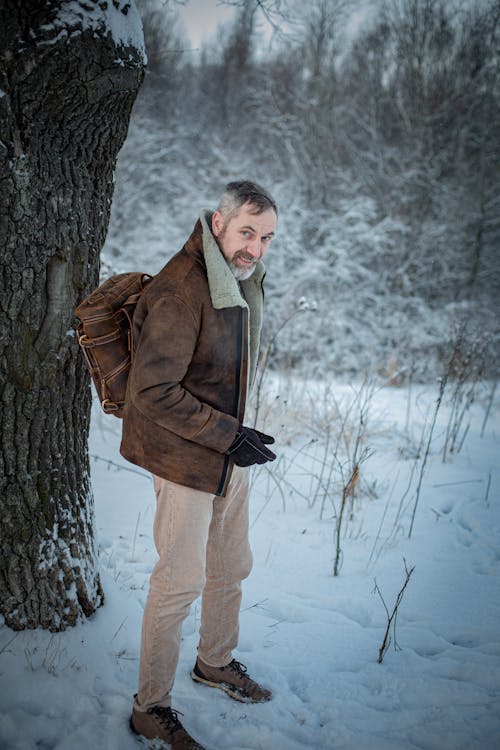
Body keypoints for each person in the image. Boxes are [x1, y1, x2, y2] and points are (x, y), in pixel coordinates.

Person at [120, 180, 279, 750]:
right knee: (179, 579)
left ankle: (215, 662)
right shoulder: (182, 289)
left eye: (265, 237)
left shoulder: (236, 279)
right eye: (246, 232)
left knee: (231, 564)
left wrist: (233, 438)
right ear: (218, 222)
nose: (256, 248)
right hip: (183, 455)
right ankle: (150, 707)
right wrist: (227, 434)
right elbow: (152, 390)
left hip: (223, 449)